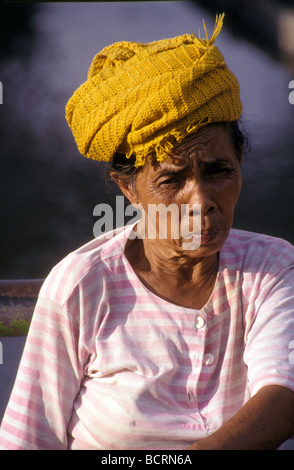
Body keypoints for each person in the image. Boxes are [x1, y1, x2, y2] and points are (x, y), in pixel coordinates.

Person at [1, 13, 294, 451]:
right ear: (129, 188)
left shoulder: (272, 268)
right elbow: (29, 438)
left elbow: (283, 393)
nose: (201, 202)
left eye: (219, 171)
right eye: (172, 180)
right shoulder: (82, 284)